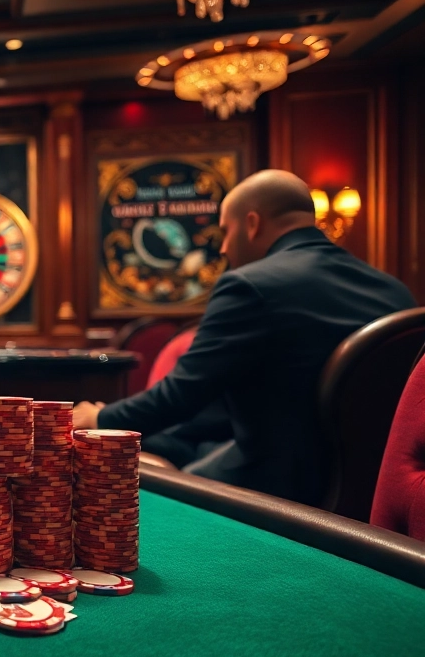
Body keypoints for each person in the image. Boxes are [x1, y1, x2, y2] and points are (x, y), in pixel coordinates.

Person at [72, 169, 416, 504]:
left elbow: (181, 395)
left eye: (225, 231)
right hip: (373, 487)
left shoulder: (249, 286)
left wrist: (101, 418)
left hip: (280, 489)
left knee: (154, 491)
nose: (222, 248)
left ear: (252, 224)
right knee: (178, 443)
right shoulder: (396, 292)